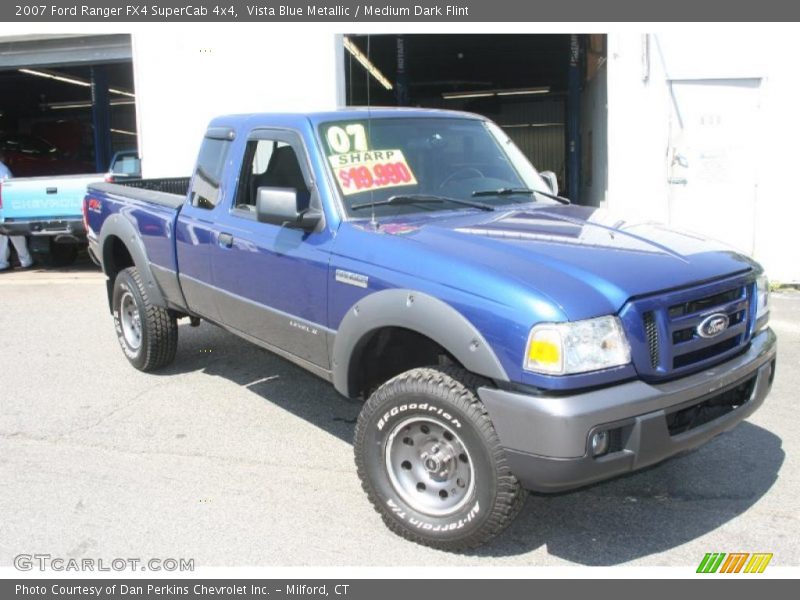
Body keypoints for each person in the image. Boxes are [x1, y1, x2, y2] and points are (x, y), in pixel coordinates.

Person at [0, 155, 34, 271]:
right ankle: (24, 261)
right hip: (6, 206)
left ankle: (22, 261)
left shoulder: (2, 170)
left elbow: (5, 188)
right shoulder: (3, 169)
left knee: (11, 235)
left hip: (6, 206)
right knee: (10, 236)